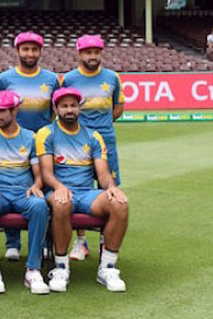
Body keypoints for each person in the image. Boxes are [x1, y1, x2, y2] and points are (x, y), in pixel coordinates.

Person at [37, 87, 129, 292]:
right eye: (64, 106)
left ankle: (108, 268)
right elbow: (46, 173)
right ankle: (61, 267)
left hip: (87, 193)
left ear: (80, 108)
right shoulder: (46, 133)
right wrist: (59, 187)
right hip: (57, 190)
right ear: (56, 108)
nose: (69, 110)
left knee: (120, 203)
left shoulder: (94, 136)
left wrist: (111, 188)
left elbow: (103, 174)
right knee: (62, 202)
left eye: (73, 105)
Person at [0, 32, 59, 261]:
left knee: (38, 190)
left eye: (34, 49)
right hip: (11, 141)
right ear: (17, 51)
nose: (30, 54)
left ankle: (40, 242)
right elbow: (0, 106)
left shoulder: (51, 79)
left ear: (40, 51)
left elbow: (53, 112)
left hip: (42, 143)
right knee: (11, 185)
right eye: (25, 49)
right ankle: (12, 243)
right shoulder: (5, 78)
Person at [0, 91, 50, 295]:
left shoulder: (30, 137)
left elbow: (38, 172)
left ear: (15, 110)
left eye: (1, 111)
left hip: (22, 193)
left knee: (39, 206)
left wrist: (36, 185)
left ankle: (33, 269)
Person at [61, 34, 124, 260]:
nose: (93, 56)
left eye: (96, 52)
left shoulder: (112, 77)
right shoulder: (69, 79)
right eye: (88, 52)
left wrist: (100, 130)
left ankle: (104, 242)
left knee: (110, 188)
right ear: (79, 54)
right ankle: (80, 242)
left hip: (106, 141)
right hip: (77, 143)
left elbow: (118, 108)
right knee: (80, 187)